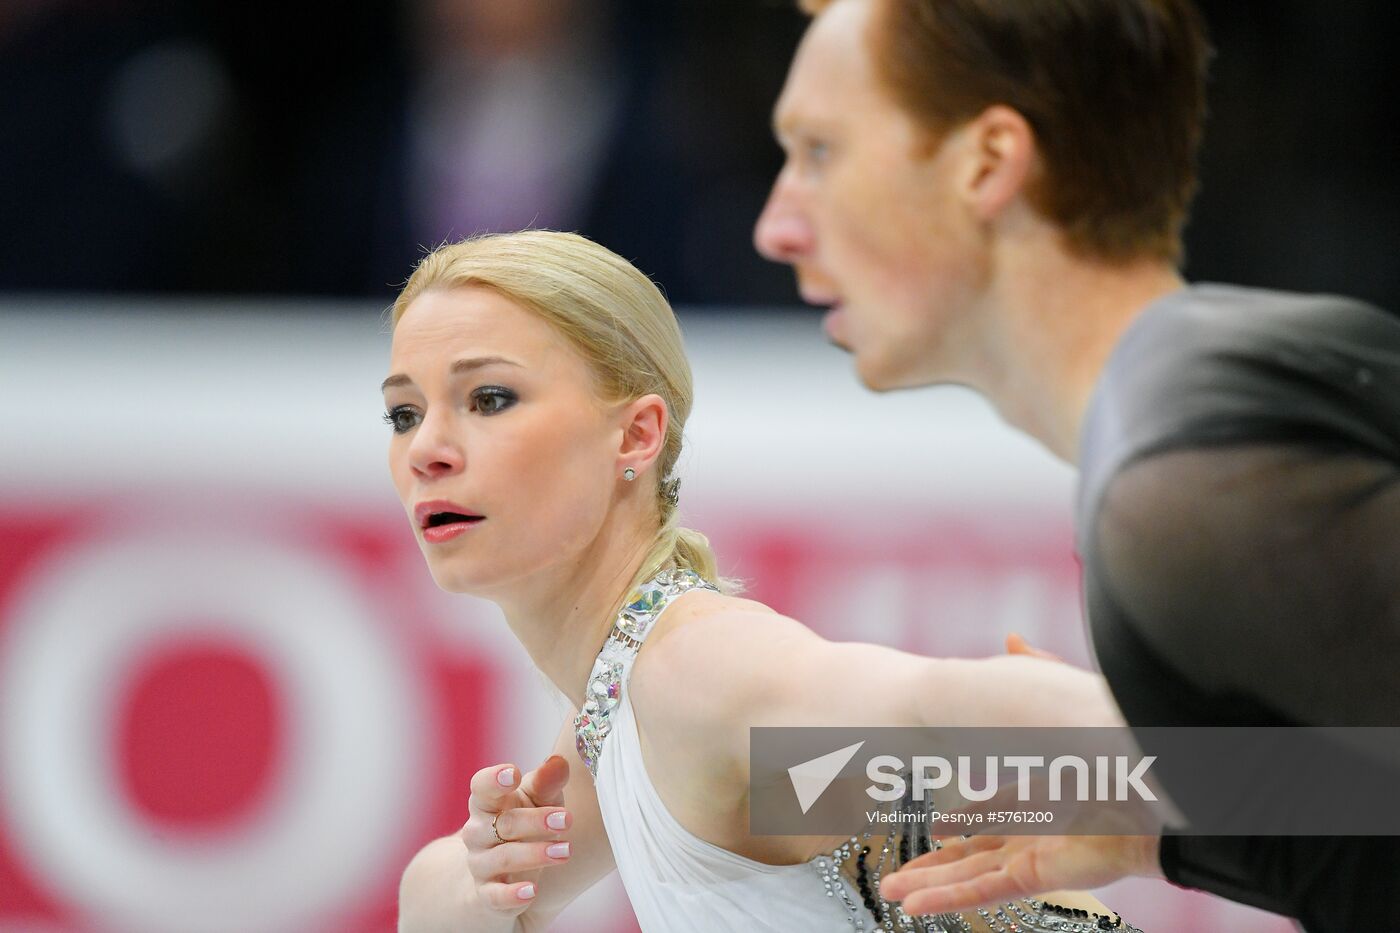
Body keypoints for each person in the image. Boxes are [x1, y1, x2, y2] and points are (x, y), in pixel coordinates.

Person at [752, 1, 1400, 930]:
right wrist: (1169, 819)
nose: (776, 225)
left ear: (988, 162)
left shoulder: (1181, 490)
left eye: (819, 152)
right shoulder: (1195, 416)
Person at [386, 230, 1141, 932]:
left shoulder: (697, 675)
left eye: (489, 398)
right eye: (404, 413)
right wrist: (488, 866)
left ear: (636, 434)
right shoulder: (621, 703)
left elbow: (929, 706)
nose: (428, 449)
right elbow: (431, 905)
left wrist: (1228, 783)